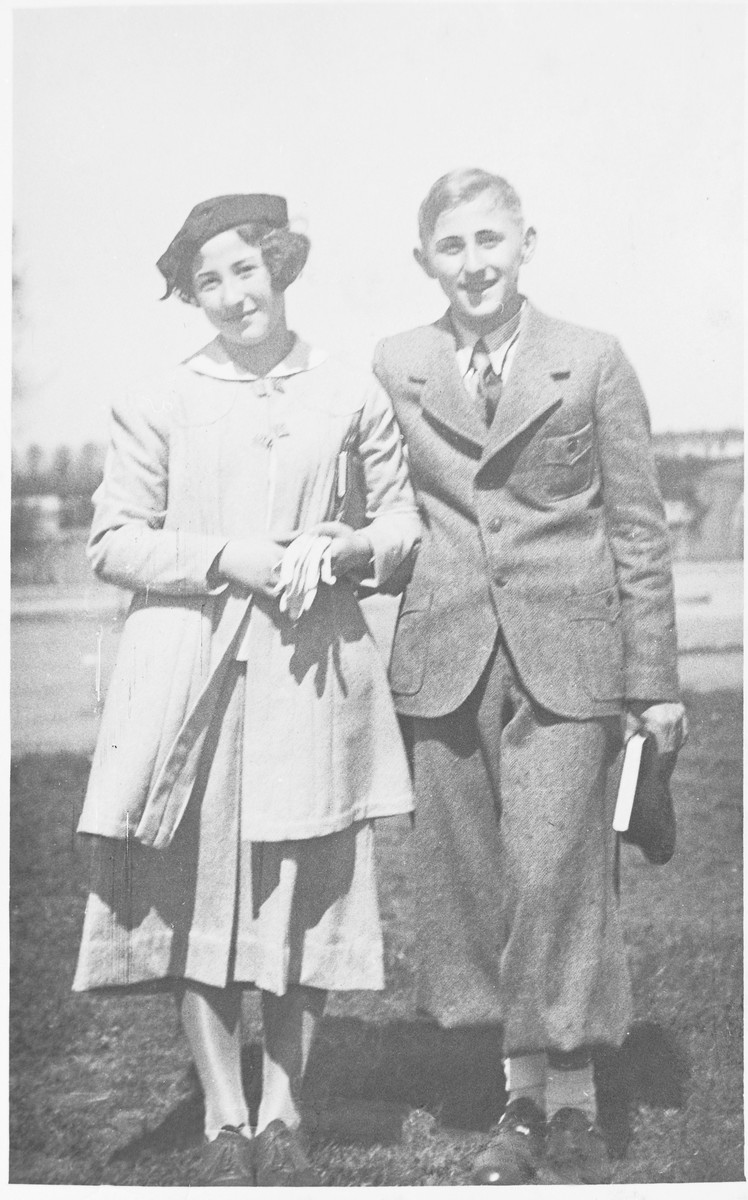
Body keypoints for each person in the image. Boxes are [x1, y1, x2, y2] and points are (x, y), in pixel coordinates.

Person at [73, 193, 420, 1186]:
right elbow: (113, 540)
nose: (230, 295)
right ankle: (224, 1109)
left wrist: (347, 548)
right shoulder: (158, 397)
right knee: (193, 893)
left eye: (244, 269)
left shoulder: (348, 392)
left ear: (280, 266)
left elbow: (398, 530)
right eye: (207, 280)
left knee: (306, 890)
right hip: (187, 671)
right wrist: (233, 557)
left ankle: (284, 1108)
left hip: (312, 672)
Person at [373, 168, 687, 1186]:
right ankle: (517, 1095)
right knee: (477, 889)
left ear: (525, 244)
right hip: (447, 658)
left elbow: (638, 530)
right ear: (426, 259)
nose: (473, 263)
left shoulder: (590, 360)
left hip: (570, 659)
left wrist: (654, 681)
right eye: (451, 246)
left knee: (557, 874)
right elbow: (378, 509)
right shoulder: (397, 364)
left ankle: (574, 1101)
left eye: (489, 241)